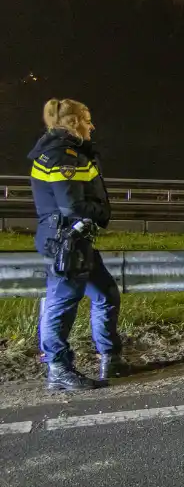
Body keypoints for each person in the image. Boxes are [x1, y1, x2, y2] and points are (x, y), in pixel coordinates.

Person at [29, 99, 127, 391]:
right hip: (66, 241)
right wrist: (103, 214)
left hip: (76, 239)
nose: (91, 125)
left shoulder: (67, 151)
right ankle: (58, 369)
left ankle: (111, 358)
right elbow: (71, 205)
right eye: (86, 119)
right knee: (62, 305)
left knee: (106, 294)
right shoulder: (62, 155)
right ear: (72, 123)